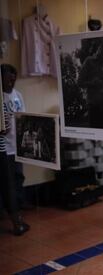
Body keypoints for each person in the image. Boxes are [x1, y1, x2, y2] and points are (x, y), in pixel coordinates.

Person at [0, 64, 30, 235]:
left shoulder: (18, 96)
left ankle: (18, 211)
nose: (11, 82)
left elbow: (23, 118)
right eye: (7, 79)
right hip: (4, 149)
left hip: (16, 148)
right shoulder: (0, 97)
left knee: (18, 178)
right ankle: (12, 217)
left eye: (13, 79)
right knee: (7, 183)